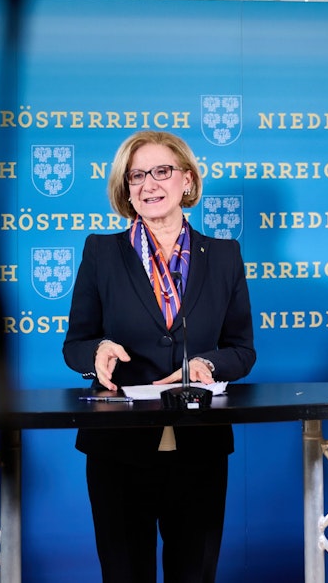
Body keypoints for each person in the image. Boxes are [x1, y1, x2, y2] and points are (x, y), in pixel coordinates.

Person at [63, 130, 256, 583]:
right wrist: (98, 352)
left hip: (200, 443)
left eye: (162, 171)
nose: (149, 184)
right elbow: (75, 343)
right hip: (118, 446)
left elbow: (242, 349)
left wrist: (208, 365)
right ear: (126, 188)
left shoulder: (225, 256)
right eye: (136, 175)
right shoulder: (101, 252)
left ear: (186, 180)